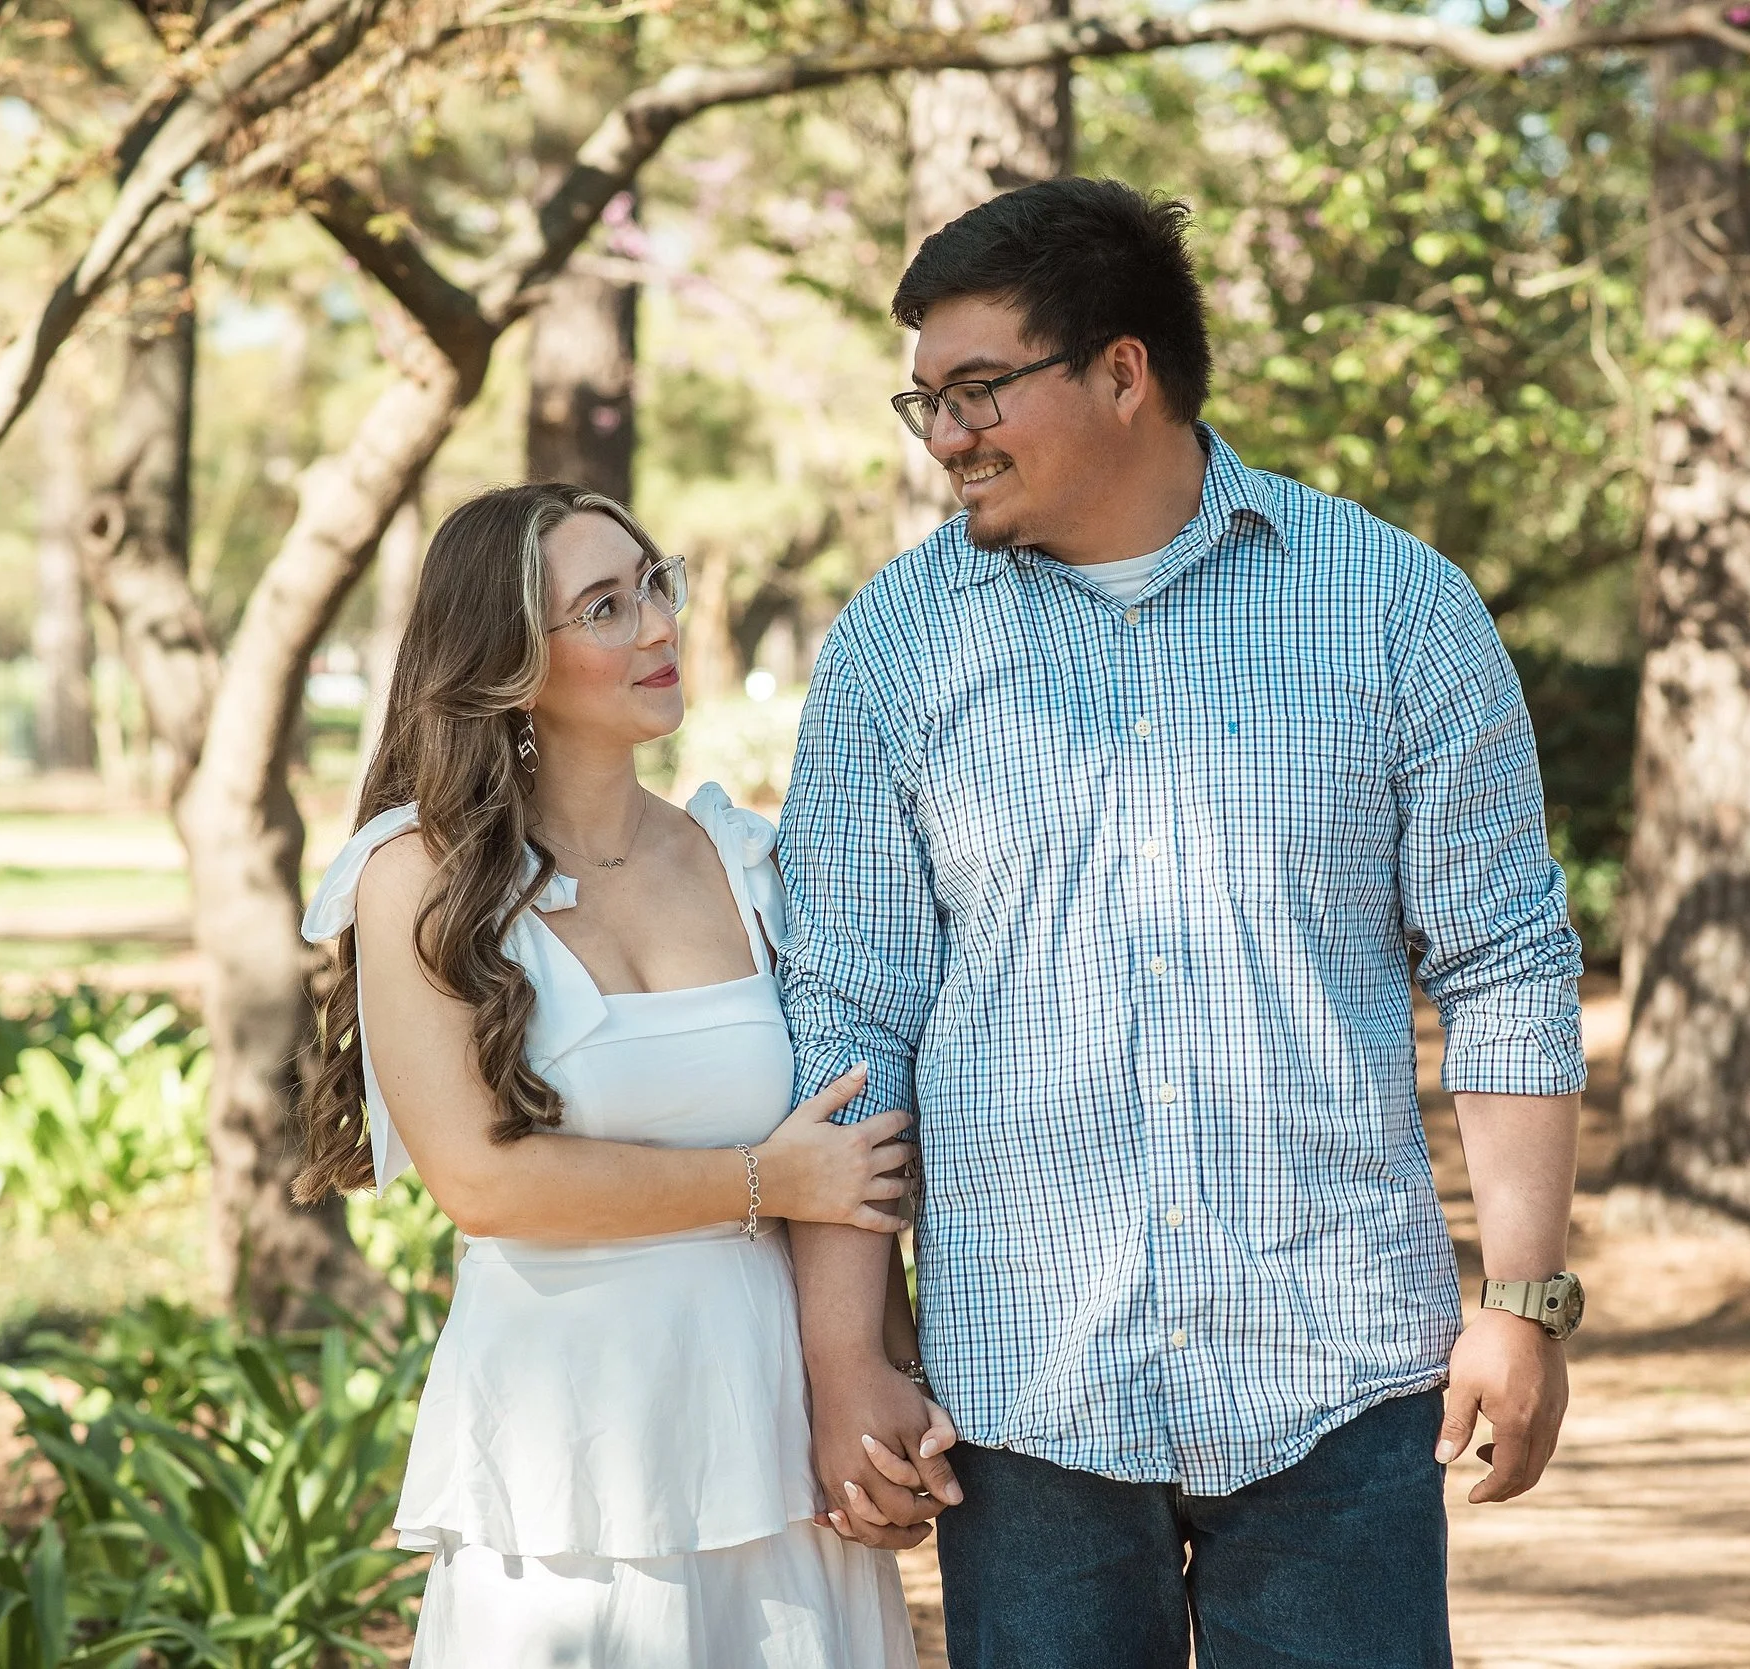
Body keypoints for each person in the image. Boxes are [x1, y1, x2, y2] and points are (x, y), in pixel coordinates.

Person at [778, 177, 1590, 1667]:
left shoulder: (1397, 607)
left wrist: (1523, 1301)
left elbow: (1505, 962)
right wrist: (846, 1352)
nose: (946, 435)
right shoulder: (896, 645)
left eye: (977, 390)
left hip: (1340, 1383)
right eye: (926, 401)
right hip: (1025, 1399)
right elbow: (847, 1017)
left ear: (1122, 370)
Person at [292, 483, 933, 1668]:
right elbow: (485, 1184)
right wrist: (761, 1180)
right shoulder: (420, 877)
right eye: (602, 605)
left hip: (766, 1416)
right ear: (509, 663)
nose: (655, 625)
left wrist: (877, 1377)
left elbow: (837, 1155)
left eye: (653, 583)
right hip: (569, 1443)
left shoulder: (735, 856)